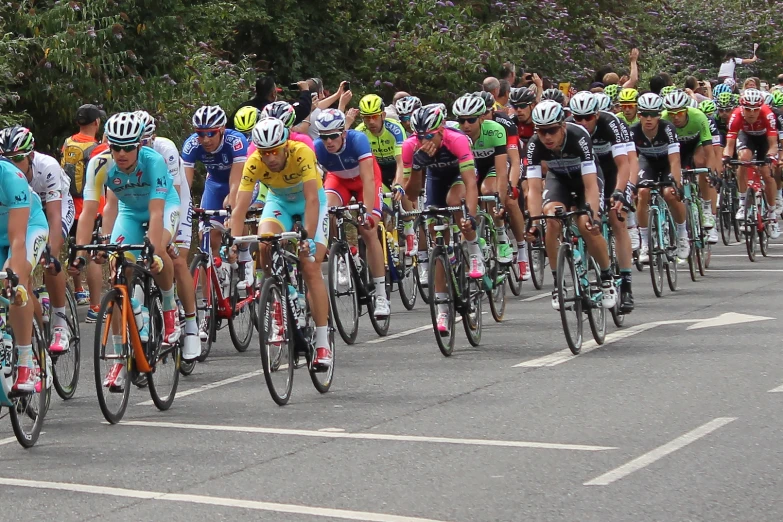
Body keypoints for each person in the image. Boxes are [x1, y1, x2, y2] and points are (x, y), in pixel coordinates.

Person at [70, 112, 183, 388]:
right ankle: (120, 360)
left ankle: (169, 307)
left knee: (160, 254)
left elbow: (157, 214)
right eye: (115, 147)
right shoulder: (99, 164)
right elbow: (90, 213)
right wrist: (81, 254)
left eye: (128, 147)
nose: (121, 153)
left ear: (139, 146)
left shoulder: (153, 161)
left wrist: (152, 253)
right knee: (118, 271)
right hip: (129, 212)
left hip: (163, 206)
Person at [230, 118, 332, 366]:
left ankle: (322, 342)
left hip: (311, 202)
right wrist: (232, 241)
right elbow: (240, 206)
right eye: (265, 153)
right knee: (265, 242)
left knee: (310, 266)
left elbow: (311, 200)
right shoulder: (254, 162)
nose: (270, 158)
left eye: (275, 151)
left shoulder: (302, 153)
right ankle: (277, 297)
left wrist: (306, 236)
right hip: (279, 203)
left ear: (286, 145)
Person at [524, 100, 617, 311]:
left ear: (562, 126)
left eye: (552, 130)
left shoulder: (579, 136)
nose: (547, 137)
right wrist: (534, 223)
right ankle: (558, 283)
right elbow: (534, 189)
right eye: (541, 131)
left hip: (585, 180)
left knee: (586, 225)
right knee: (549, 219)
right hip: (559, 181)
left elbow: (591, 184)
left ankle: (606, 278)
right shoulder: (533, 145)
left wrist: (593, 215)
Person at [402, 104, 483, 334]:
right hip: (435, 179)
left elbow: (470, 184)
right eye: (419, 136)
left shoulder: (456, 140)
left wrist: (472, 216)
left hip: (459, 175)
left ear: (440, 131)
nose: (422, 141)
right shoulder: (411, 147)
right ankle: (442, 309)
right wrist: (417, 166)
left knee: (454, 201)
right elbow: (411, 193)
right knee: (437, 235)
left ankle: (474, 248)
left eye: (428, 136)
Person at [0, 126, 75, 355]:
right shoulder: (8, 176)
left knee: (50, 256)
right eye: (6, 159)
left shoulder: (48, 168)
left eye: (18, 158)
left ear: (31, 156)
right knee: (22, 275)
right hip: (16, 213)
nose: (12, 165)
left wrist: (50, 250)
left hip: (53, 207)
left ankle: (60, 322)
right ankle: (33, 341)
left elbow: (54, 215)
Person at [135, 111, 201, 361]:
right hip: (142, 204)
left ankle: (192, 326)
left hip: (174, 201)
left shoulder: (166, 149)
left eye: (146, 141)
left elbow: (171, 195)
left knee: (176, 259)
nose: (141, 147)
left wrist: (168, 239)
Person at [314, 108, 391, 318]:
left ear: (343, 133)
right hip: (339, 181)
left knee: (368, 231)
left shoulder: (358, 140)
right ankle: (338, 256)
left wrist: (367, 212)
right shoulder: (317, 148)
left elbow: (368, 179)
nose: (328, 142)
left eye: (333, 136)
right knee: (326, 210)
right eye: (324, 137)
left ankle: (382, 295)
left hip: (364, 181)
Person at [0, 157, 49, 392]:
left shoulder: (12, 177)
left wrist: (12, 274)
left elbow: (18, 240)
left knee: (15, 283)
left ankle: (26, 362)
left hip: (28, 228)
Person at [181, 105, 248, 274]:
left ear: (222, 129)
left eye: (211, 133)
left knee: (234, 211)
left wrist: (232, 207)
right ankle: (208, 297)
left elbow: (236, 183)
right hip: (215, 185)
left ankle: (244, 251)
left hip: (240, 183)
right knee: (207, 240)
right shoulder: (191, 144)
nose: (205, 139)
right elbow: (183, 186)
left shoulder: (236, 141)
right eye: (200, 133)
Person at [631, 93, 691, 263]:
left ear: (659, 115)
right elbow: (632, 161)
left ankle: (682, 234)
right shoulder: (633, 131)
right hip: (647, 162)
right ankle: (645, 243)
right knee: (643, 193)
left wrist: (677, 184)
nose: (648, 119)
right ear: (639, 115)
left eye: (653, 114)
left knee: (670, 193)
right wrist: (632, 185)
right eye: (644, 114)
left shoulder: (667, 129)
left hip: (666, 163)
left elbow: (675, 160)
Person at [61, 103, 105, 316]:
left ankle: (79, 290)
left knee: (74, 247)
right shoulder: (97, 148)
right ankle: (95, 307)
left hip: (68, 206)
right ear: (96, 122)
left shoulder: (67, 143)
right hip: (91, 206)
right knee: (94, 254)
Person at [230, 76, 312, 128]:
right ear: (273, 94)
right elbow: (302, 110)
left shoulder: (243, 108)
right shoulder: (274, 111)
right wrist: (305, 91)